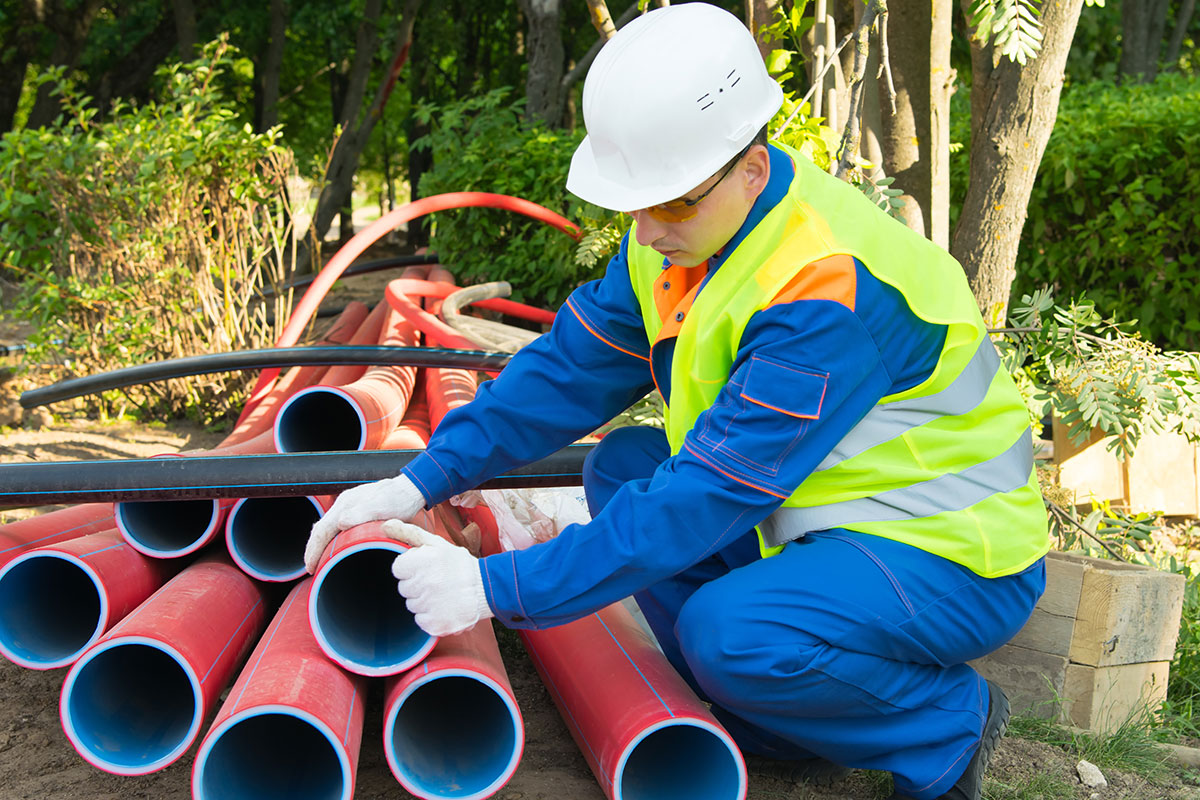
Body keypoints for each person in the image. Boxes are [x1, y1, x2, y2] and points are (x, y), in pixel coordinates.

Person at [304, 4, 1050, 799]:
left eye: (673, 202)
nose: (649, 227)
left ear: (752, 169)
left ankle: (947, 725)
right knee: (625, 466)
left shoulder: (829, 289)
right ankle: (782, 719)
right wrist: (423, 478)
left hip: (952, 553)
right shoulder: (681, 231)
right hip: (824, 524)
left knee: (732, 635)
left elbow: (707, 494)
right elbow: (567, 371)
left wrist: (497, 588)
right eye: (637, 202)